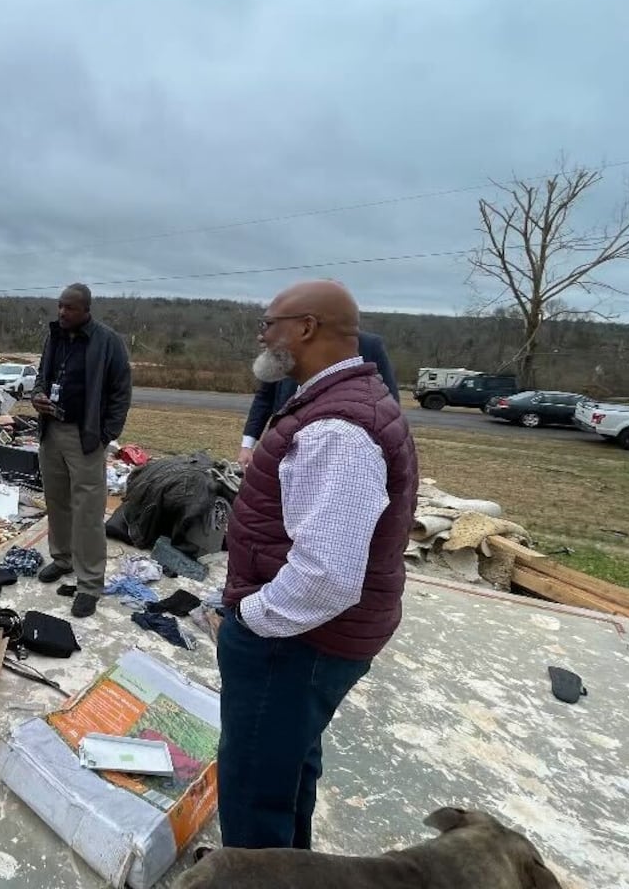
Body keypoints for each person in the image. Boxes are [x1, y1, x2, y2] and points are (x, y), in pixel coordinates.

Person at [217, 279, 418, 850]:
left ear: (306, 328)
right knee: (286, 770)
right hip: (312, 642)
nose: (262, 335)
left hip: (296, 644)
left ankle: (259, 873)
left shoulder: (338, 430)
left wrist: (251, 618)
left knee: (254, 788)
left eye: (269, 323)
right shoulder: (339, 401)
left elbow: (326, 576)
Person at [30, 284, 133, 618]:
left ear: (86, 310)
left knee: (87, 510)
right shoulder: (54, 336)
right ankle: (62, 559)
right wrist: (37, 396)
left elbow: (121, 391)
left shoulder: (107, 342)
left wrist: (106, 434)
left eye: (70, 308)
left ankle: (89, 584)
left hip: (85, 435)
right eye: (60, 306)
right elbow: (41, 377)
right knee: (57, 500)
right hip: (51, 431)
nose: (62, 312)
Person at [238, 331, 399, 467]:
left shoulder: (368, 345)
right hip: (284, 448)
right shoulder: (285, 344)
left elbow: (388, 403)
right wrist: (247, 446)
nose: (261, 336)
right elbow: (265, 397)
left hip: (343, 455)